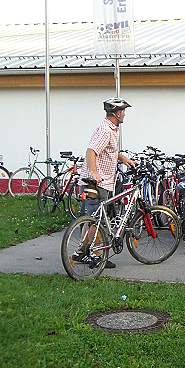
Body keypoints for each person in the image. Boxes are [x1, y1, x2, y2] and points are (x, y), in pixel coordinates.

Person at [72, 97, 136, 268]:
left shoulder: (113, 129)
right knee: (95, 220)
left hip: (104, 182)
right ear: (116, 113)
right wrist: (94, 173)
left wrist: (124, 159)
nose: (124, 114)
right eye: (122, 111)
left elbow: (110, 151)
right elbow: (91, 151)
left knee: (95, 219)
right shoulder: (105, 130)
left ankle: (84, 253)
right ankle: (93, 255)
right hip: (96, 182)